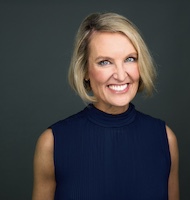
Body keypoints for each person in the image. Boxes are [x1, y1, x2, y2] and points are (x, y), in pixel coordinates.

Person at [32, 12, 179, 200]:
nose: (120, 74)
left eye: (130, 59)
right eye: (105, 62)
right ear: (85, 70)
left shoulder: (165, 138)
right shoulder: (52, 143)